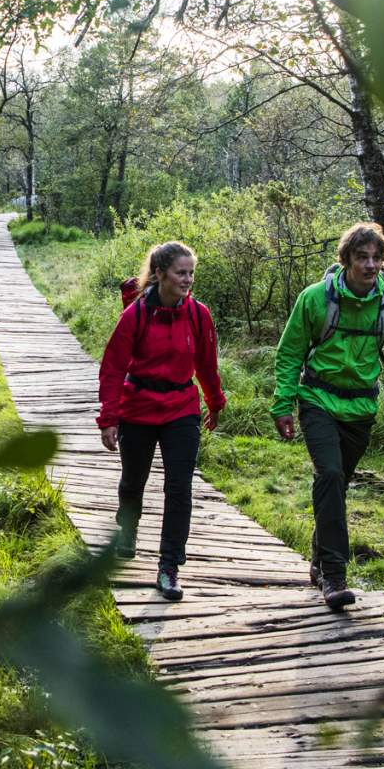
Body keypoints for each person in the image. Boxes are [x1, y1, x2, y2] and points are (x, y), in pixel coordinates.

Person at [271, 222, 384, 609]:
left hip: (361, 406)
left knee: (337, 487)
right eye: (362, 257)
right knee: (329, 474)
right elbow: (290, 352)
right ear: (346, 259)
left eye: (377, 258)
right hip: (318, 400)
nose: (371, 265)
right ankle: (334, 575)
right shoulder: (315, 298)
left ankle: (318, 559)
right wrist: (283, 403)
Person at [97, 241, 225, 601]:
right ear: (159, 274)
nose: (188, 280)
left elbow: (207, 365)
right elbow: (113, 369)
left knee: (179, 487)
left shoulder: (199, 315)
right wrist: (109, 418)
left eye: (191, 273)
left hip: (182, 407)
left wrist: (215, 402)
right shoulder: (135, 316)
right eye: (180, 273)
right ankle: (127, 530)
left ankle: (169, 565)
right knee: (133, 480)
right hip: (137, 407)